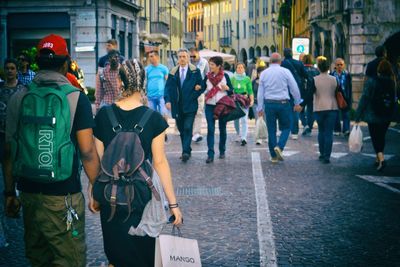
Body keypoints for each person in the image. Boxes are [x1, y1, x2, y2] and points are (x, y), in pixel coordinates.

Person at [3, 34, 100, 267]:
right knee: (70, 259)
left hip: (28, 193)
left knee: (38, 258)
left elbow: (8, 150)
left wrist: (9, 193)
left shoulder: (19, 97)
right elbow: (87, 151)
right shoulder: (76, 98)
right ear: (65, 62)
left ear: (38, 61)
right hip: (64, 195)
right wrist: (96, 186)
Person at [91, 59, 182, 267]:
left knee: (116, 255)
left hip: (109, 195)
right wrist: (173, 204)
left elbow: (99, 161)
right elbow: (160, 163)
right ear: (144, 83)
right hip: (142, 198)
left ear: (120, 82)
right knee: (143, 256)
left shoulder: (104, 115)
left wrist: (92, 193)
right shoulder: (154, 118)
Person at [257, 52, 302, 163]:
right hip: (283, 103)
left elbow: (260, 92)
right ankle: (280, 146)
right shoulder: (285, 72)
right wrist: (297, 102)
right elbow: (294, 88)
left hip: (269, 104)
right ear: (280, 61)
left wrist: (260, 108)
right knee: (287, 127)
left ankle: (273, 156)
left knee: (271, 130)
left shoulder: (264, 73)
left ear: (270, 61)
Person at [0, 58, 25, 248]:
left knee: (18, 165)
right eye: (7, 68)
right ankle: (10, 194)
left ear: (17, 71)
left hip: (19, 135)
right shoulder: (0, 91)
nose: (9, 71)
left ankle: (17, 195)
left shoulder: (23, 90)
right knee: (6, 165)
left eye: (12, 68)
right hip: (2, 134)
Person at [355, 60, 396, 171]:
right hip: (387, 114)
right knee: (381, 136)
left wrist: (358, 114)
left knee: (375, 137)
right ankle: (378, 158)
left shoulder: (372, 81)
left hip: (373, 114)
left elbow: (365, 98)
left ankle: (381, 159)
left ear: (379, 70)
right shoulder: (392, 82)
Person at [164, 48, 204, 162]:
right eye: (180, 56)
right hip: (177, 106)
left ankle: (185, 152)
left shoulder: (195, 71)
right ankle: (187, 148)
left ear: (188, 58)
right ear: (178, 58)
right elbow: (167, 88)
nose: (182, 59)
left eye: (184, 57)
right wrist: (167, 100)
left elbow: (201, 86)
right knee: (181, 129)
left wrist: (195, 93)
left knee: (187, 127)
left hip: (190, 105)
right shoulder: (172, 72)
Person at [203, 56, 234, 163]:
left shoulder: (225, 76)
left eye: (212, 64)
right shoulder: (207, 77)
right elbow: (202, 88)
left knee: (222, 129)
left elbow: (231, 91)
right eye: (209, 64)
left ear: (218, 66)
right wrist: (198, 88)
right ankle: (210, 154)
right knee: (210, 129)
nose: (210, 66)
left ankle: (222, 150)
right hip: (209, 105)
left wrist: (228, 89)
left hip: (222, 106)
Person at [313, 56, 339, 164]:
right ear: (328, 68)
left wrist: (301, 104)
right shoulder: (334, 79)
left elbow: (310, 92)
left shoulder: (314, 79)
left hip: (319, 107)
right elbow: (338, 92)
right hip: (332, 107)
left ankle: (322, 153)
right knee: (329, 132)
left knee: (321, 131)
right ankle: (327, 156)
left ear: (318, 68)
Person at [281, 48, 308, 140]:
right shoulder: (299, 63)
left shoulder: (282, 64)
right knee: (295, 109)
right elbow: (306, 75)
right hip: (297, 88)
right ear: (292, 54)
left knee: (285, 110)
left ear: (284, 55)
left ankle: (284, 129)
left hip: (285, 89)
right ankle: (295, 132)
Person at [190, 47, 210, 143]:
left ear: (198, 53)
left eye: (194, 55)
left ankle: (196, 133)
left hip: (199, 92)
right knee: (190, 112)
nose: (192, 58)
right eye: (191, 56)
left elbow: (207, 76)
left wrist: (204, 88)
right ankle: (190, 131)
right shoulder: (187, 62)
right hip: (188, 92)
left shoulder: (204, 62)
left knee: (199, 112)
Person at [231, 62, 253, 146]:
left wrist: (251, 100)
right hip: (235, 100)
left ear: (244, 69)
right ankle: (238, 133)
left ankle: (244, 137)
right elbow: (229, 88)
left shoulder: (247, 79)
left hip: (244, 100)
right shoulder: (232, 78)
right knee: (236, 119)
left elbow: (250, 90)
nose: (239, 69)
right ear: (236, 69)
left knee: (244, 119)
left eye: (241, 67)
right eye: (238, 67)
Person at [331, 58, 352, 136]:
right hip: (335, 96)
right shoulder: (332, 74)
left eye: (341, 64)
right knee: (336, 114)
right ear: (335, 65)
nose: (339, 66)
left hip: (345, 96)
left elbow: (349, 87)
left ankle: (346, 129)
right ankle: (337, 129)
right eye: (338, 64)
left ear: (344, 65)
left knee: (346, 113)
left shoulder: (347, 75)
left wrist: (349, 98)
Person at [145, 50, 169, 117]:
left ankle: (165, 127)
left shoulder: (164, 68)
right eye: (149, 57)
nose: (150, 58)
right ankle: (154, 127)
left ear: (157, 57)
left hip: (162, 95)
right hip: (150, 96)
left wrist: (169, 94)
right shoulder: (147, 69)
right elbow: (144, 82)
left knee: (164, 114)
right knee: (152, 116)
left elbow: (168, 82)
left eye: (152, 56)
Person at [301, 54, 320, 136]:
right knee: (310, 110)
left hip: (303, 92)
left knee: (300, 110)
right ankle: (310, 126)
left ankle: (305, 124)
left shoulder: (301, 69)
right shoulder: (316, 70)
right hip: (313, 92)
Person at [252, 65, 267, 145]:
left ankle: (265, 136)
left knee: (265, 120)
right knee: (258, 120)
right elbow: (251, 92)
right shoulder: (254, 82)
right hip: (256, 103)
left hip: (265, 103)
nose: (261, 74)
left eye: (262, 73)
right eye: (259, 73)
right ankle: (258, 138)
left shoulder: (268, 82)